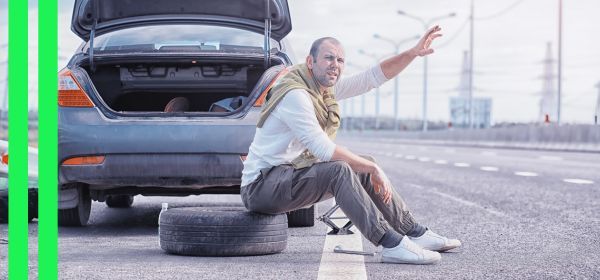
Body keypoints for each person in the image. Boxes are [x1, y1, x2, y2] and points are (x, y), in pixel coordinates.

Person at [240, 26, 460, 265]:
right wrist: (373, 170)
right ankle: (391, 244)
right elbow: (323, 149)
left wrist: (412, 53)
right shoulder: (296, 94)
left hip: (286, 177)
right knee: (342, 169)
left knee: (364, 164)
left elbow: (371, 78)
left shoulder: (323, 91)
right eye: (328, 57)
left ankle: (413, 232)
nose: (335, 64)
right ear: (310, 62)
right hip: (261, 187)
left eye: (340, 59)